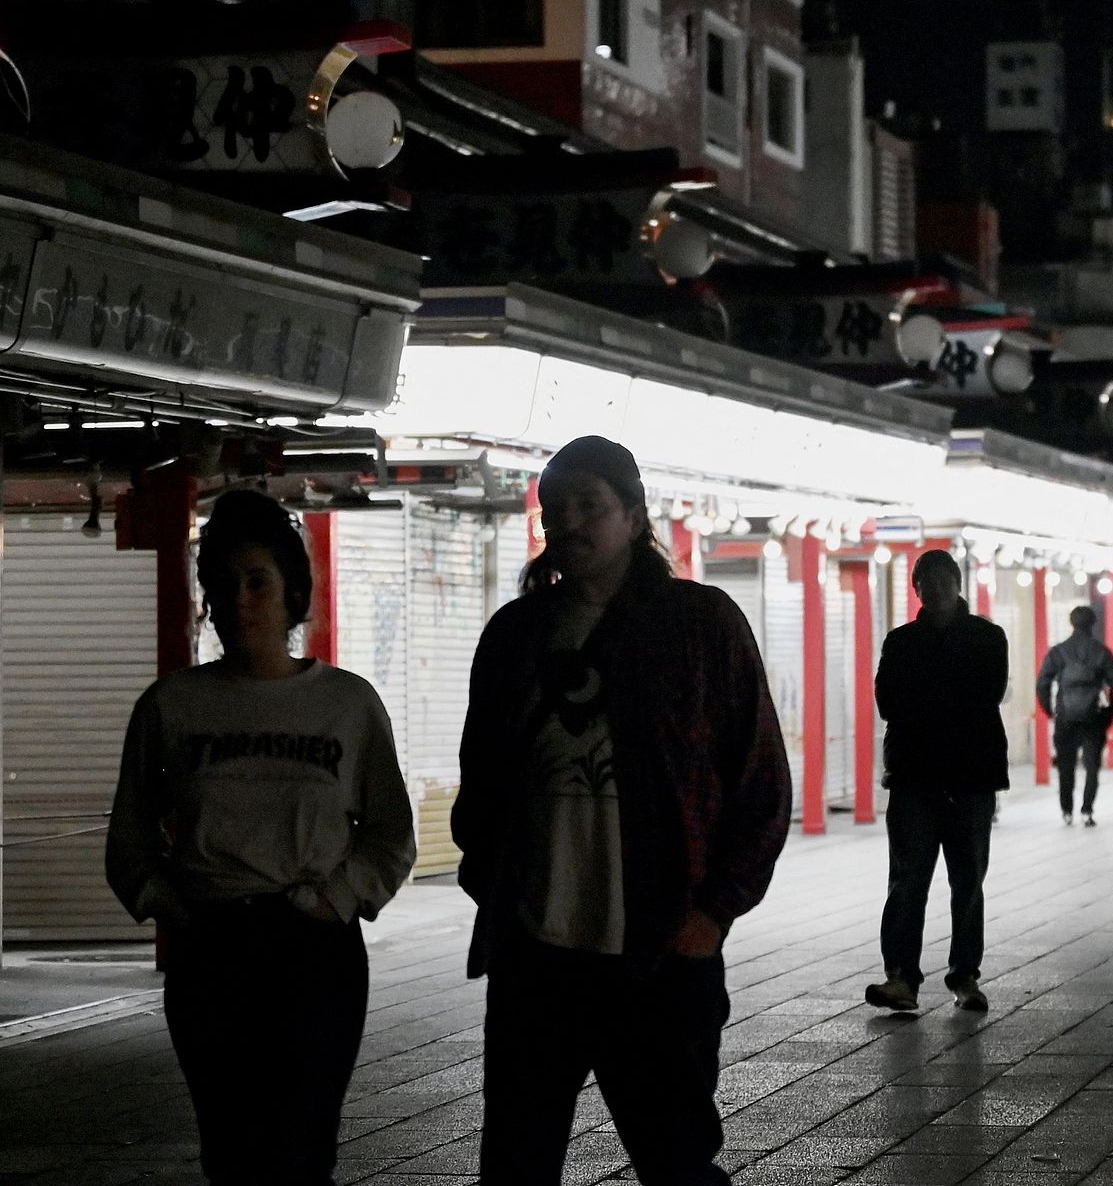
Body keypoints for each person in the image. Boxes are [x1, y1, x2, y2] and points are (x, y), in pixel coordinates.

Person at [452, 436, 792, 1185]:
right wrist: (495, 886)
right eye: (555, 507)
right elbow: (480, 779)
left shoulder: (701, 625)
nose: (570, 521)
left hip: (661, 952)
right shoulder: (516, 635)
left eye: (590, 505)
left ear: (636, 518)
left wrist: (712, 915)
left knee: (676, 1162)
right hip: (536, 953)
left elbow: (761, 783)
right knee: (514, 1161)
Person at [106, 489, 417, 1186]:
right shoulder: (172, 706)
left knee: (304, 1150)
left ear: (292, 592)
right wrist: (170, 902)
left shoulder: (347, 704)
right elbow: (129, 835)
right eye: (222, 584)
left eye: (257, 581)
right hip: (211, 947)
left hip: (314, 949)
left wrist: (337, 898)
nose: (239, 601)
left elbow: (391, 833)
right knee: (231, 1151)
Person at [865, 550, 1008, 1013]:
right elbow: (887, 701)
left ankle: (965, 975)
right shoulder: (900, 640)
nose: (939, 586)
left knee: (968, 880)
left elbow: (987, 694)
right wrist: (944, 700)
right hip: (915, 776)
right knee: (907, 880)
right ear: (917, 588)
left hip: (968, 776)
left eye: (946, 578)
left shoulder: (989, 637)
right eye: (929, 579)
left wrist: (927, 700)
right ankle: (900, 977)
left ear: (958, 582)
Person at [1036, 606, 1113, 826]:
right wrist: (1108, 713)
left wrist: (1050, 711)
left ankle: (1066, 811)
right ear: (1093, 624)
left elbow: (1043, 683)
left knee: (1066, 766)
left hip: (1066, 717)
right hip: (1093, 718)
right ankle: (1087, 810)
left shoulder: (1059, 651)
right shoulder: (1101, 651)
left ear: (1071, 623)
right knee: (1092, 766)